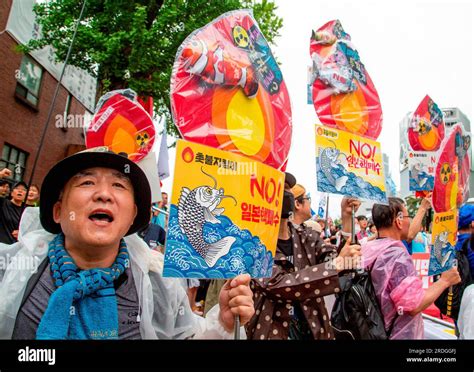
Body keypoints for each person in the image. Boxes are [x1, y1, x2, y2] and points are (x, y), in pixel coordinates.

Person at [0, 149, 254, 339]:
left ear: (133, 215)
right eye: (87, 182)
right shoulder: (12, 271)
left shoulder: (157, 284)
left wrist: (224, 323)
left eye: (118, 185)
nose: (104, 194)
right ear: (57, 211)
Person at [245, 175, 362, 340]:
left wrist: (346, 219)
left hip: (314, 328)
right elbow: (277, 284)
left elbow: (344, 264)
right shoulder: (253, 244)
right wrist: (335, 265)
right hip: (272, 330)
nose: (284, 194)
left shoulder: (307, 236)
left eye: (286, 190)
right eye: (276, 189)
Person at [361, 197, 461, 339]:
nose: (410, 221)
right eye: (408, 216)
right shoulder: (396, 255)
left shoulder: (368, 248)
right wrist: (445, 281)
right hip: (397, 334)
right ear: (399, 220)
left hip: (376, 329)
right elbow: (413, 306)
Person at [0, 172, 27, 244]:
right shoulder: (3, 203)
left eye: (24, 190)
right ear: (11, 193)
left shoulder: (26, 211)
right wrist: (1, 175)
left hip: (15, 249)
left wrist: (21, 234)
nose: (20, 191)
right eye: (17, 188)